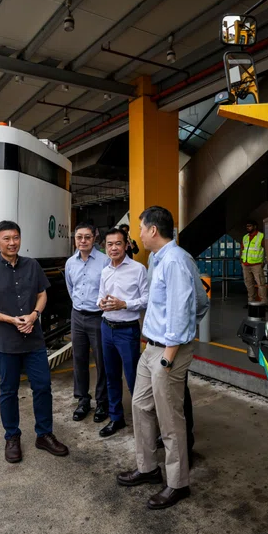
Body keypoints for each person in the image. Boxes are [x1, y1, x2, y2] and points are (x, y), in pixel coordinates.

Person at [117, 206, 202, 510]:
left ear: (153, 230)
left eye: (140, 228)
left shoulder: (177, 261)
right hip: (150, 347)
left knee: (170, 419)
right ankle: (148, 468)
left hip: (168, 352)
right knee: (140, 406)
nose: (137, 233)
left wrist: (168, 356)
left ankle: (177, 484)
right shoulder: (156, 258)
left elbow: (184, 310)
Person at [0, 220, 69, 463]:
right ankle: (12, 437)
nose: (12, 242)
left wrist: (35, 314)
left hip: (34, 340)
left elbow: (42, 294)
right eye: (6, 238)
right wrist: (10, 320)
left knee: (43, 387)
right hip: (5, 342)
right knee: (8, 391)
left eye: (16, 237)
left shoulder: (32, 265)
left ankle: (44, 434)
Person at [97, 227, 148, 437]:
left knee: (134, 378)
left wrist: (124, 304)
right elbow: (100, 296)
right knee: (111, 376)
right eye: (110, 244)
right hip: (106, 328)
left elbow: (146, 299)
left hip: (127, 331)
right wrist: (101, 303)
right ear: (105, 247)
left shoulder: (138, 269)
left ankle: (143, 423)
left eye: (118, 243)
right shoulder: (105, 271)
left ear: (126, 245)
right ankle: (116, 418)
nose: (114, 248)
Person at [65, 223, 109, 423]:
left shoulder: (105, 261)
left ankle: (102, 402)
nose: (82, 241)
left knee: (102, 361)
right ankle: (83, 400)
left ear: (95, 238)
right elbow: (71, 288)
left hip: (98, 317)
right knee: (79, 359)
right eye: (79, 237)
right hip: (77, 316)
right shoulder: (70, 263)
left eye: (87, 237)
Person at [241, 219, 266, 304]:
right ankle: (251, 302)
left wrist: (264, 261)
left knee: (261, 284)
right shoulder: (245, 237)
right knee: (249, 284)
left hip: (257, 265)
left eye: (250, 226)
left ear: (255, 226)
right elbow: (242, 249)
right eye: (247, 226)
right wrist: (241, 260)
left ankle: (264, 303)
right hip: (245, 264)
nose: (248, 227)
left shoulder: (261, 236)